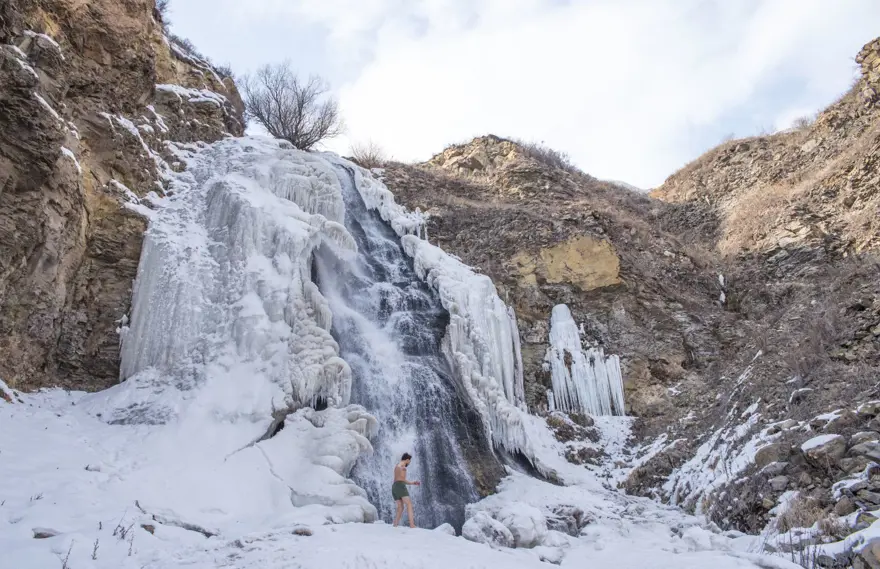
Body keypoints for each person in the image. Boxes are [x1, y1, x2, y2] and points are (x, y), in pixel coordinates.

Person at [392, 452, 420, 528]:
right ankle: (412, 524)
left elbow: (398, 479)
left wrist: (412, 483)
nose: (409, 462)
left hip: (394, 487)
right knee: (409, 504)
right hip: (400, 486)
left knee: (400, 507)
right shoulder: (403, 466)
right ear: (407, 459)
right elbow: (402, 479)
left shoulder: (396, 466)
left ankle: (395, 524)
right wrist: (412, 482)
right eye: (410, 461)